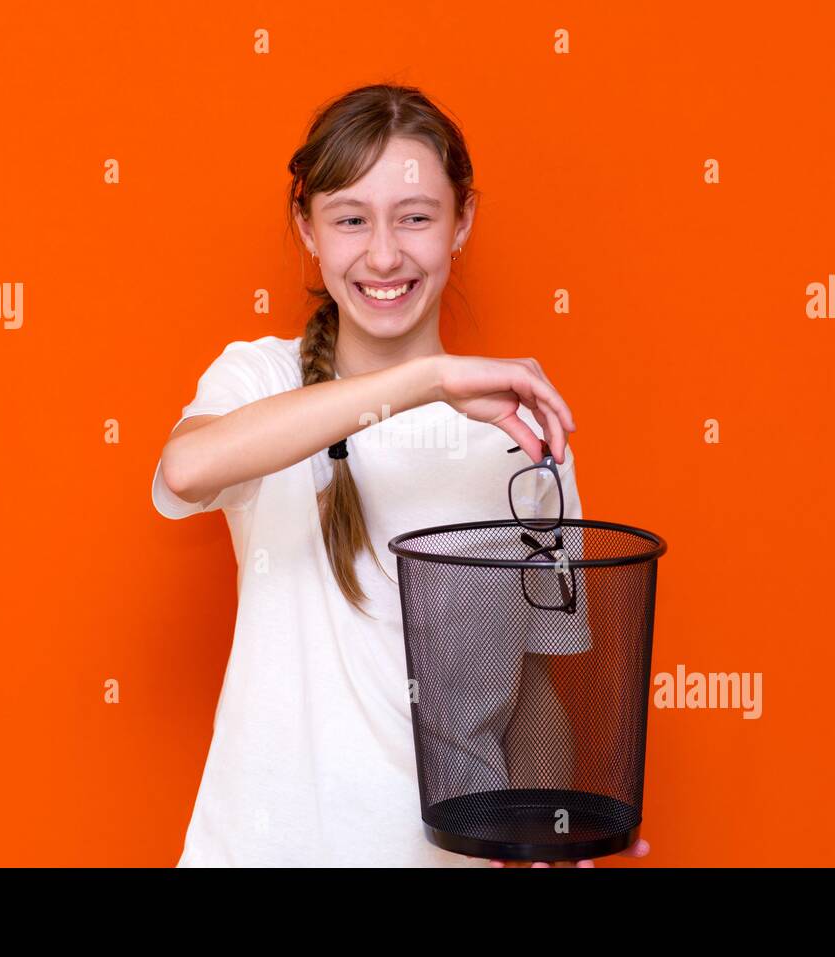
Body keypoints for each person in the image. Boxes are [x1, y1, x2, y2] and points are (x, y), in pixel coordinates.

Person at [152, 83, 650, 867]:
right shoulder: (261, 378)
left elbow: (530, 693)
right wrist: (427, 381)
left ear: (463, 223)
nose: (384, 255)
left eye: (415, 217)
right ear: (306, 229)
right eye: (350, 219)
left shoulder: (522, 436)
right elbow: (186, 467)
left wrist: (549, 831)